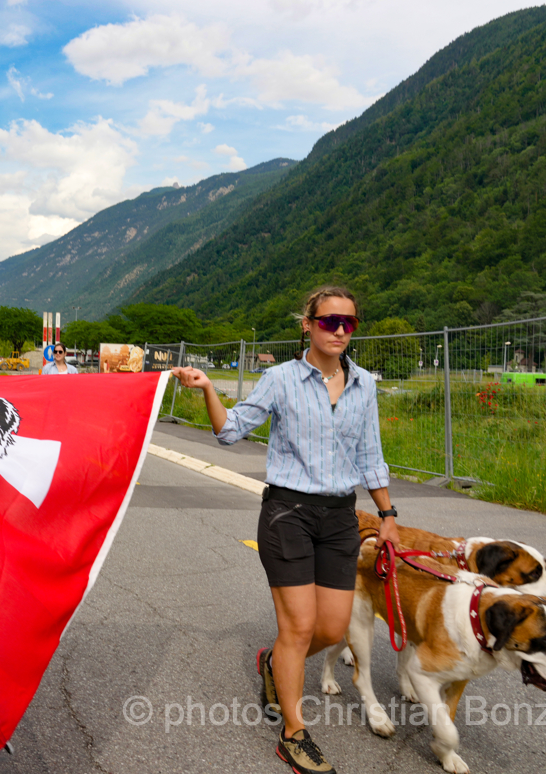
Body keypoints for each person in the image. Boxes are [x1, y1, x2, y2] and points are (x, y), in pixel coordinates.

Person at [172, 285, 399, 774]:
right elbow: (230, 431)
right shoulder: (280, 379)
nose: (339, 330)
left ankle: (275, 663)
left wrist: (388, 515)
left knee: (333, 627)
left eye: (349, 323)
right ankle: (294, 733)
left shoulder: (365, 385)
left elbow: (370, 456)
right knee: (297, 627)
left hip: (341, 517)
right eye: (328, 321)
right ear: (307, 324)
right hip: (287, 514)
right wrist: (209, 388)